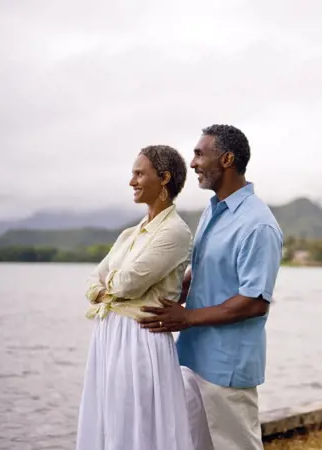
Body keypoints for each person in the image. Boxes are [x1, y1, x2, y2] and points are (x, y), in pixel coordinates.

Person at [139, 125, 283, 449]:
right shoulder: (212, 210)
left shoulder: (258, 224)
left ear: (228, 159)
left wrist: (187, 318)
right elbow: (201, 269)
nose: (192, 163)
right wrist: (165, 293)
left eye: (200, 154)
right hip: (192, 355)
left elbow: (255, 301)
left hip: (226, 366)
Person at [76, 145, 209, 450]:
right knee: (109, 421)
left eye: (139, 173)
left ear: (163, 178)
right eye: (132, 173)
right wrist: (104, 288)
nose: (132, 181)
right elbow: (92, 281)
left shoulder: (175, 232)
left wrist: (105, 289)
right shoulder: (129, 234)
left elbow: (127, 284)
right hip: (109, 334)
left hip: (140, 337)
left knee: (138, 424)